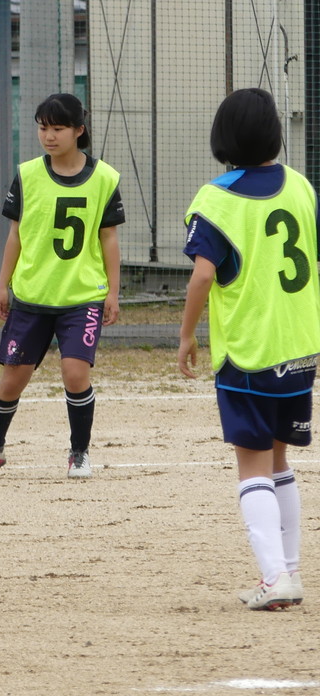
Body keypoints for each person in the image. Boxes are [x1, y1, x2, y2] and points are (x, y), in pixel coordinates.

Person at [179, 88, 319, 611]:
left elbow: (202, 278)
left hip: (248, 352)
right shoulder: (302, 188)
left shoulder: (215, 198)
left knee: (252, 466)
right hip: (301, 348)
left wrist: (187, 335)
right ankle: (291, 573)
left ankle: (274, 578)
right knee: (279, 460)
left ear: (223, 137)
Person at [0, 93, 123, 481]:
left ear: (78, 130)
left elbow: (109, 240)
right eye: (42, 127)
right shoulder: (27, 174)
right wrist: (3, 287)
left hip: (81, 296)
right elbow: (15, 235)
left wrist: (113, 293)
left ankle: (79, 453)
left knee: (75, 373)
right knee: (12, 379)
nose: (48, 136)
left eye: (57, 128)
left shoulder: (105, 178)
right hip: (32, 297)